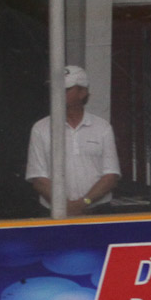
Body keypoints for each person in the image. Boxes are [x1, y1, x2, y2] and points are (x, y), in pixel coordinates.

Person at [24, 65, 120, 216]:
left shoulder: (102, 127)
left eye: (66, 89)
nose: (58, 93)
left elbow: (111, 175)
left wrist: (83, 203)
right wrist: (66, 206)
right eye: (55, 89)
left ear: (82, 92)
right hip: (54, 212)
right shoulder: (40, 128)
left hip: (97, 211)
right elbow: (38, 177)